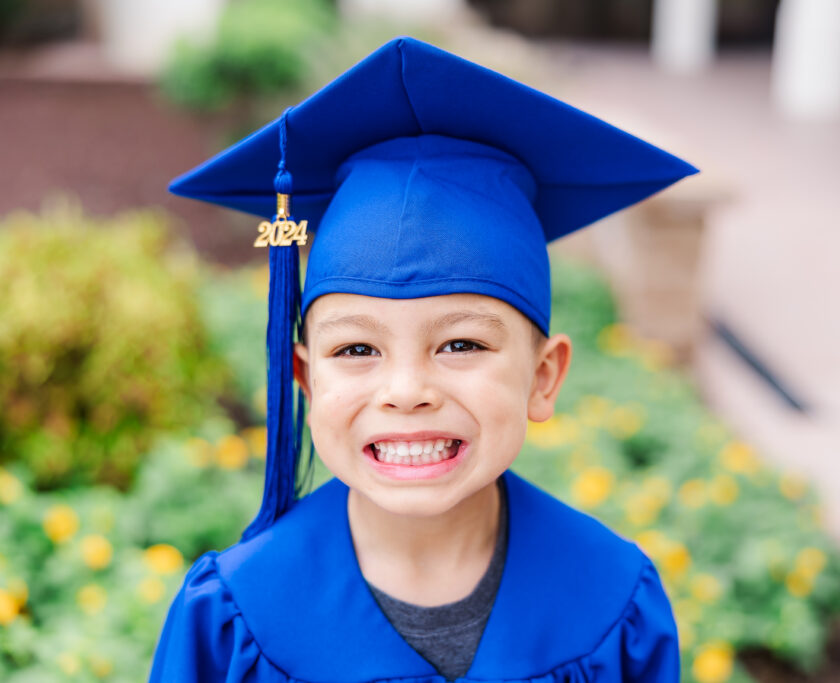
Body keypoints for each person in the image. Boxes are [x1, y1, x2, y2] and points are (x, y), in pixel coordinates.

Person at [149, 36, 698, 682]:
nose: (406, 390)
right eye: (357, 349)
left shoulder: (614, 603)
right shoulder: (233, 617)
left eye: (461, 344)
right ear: (304, 377)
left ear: (543, 377)